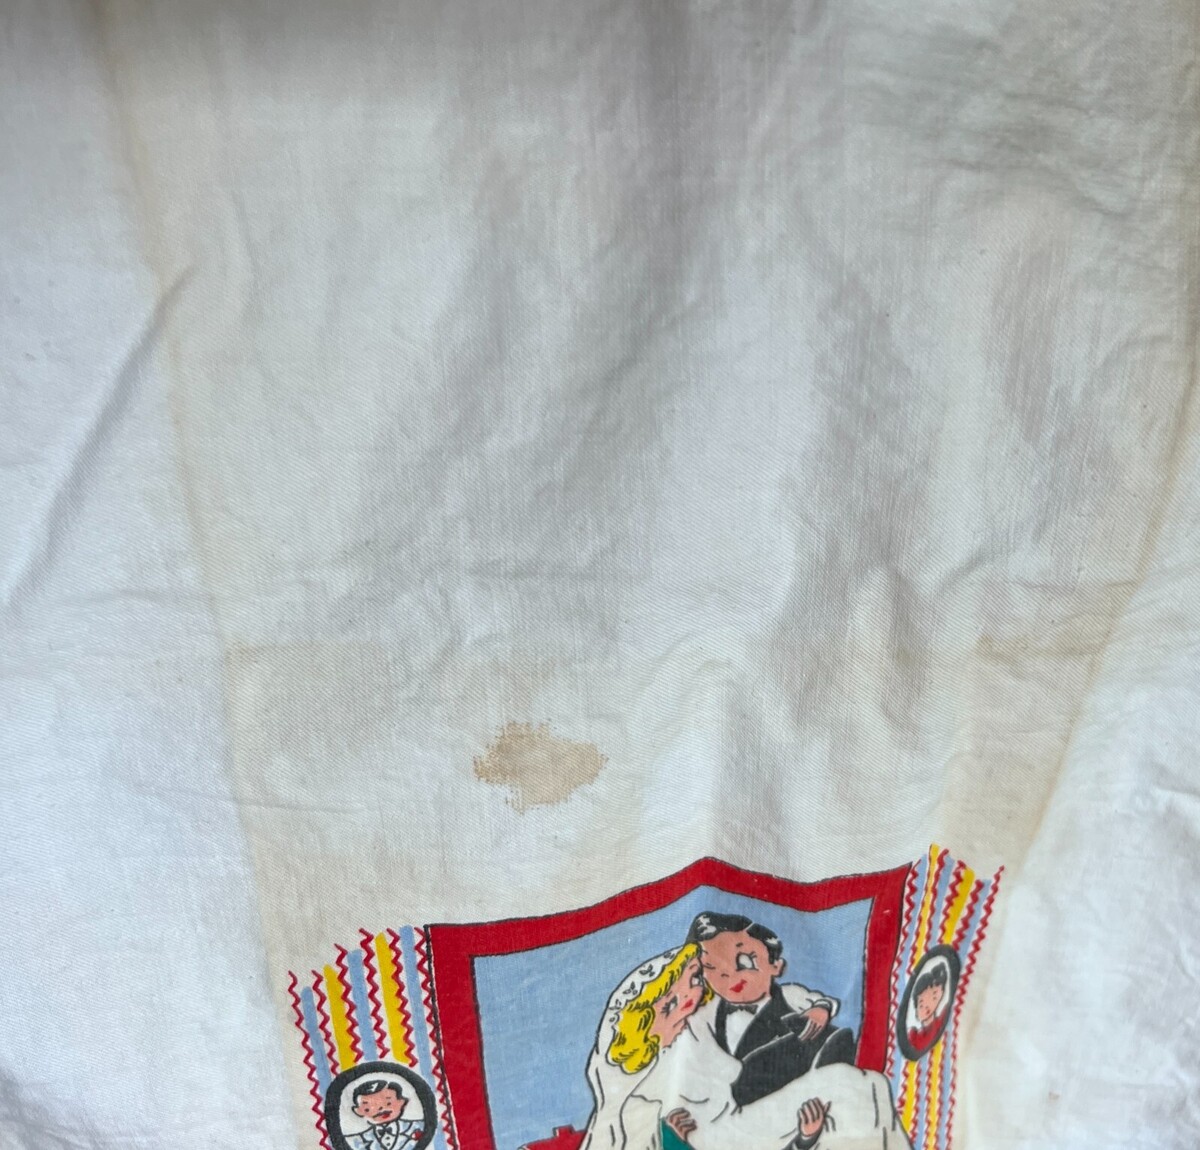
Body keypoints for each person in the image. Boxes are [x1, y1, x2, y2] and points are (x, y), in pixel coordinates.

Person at [582, 945, 911, 1150]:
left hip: (737, 1126)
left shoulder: (697, 1023)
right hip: (722, 1138)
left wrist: (820, 1008)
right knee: (849, 1084)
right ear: (640, 1026)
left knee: (861, 1083)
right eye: (670, 1004)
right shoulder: (635, 1093)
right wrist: (672, 1141)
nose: (691, 998)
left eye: (694, 981)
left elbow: (787, 996)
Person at [685, 912, 856, 1106]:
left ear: (776, 966)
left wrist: (822, 1009)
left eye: (745, 961)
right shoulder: (703, 1016)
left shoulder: (801, 1010)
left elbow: (840, 1098)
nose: (730, 974)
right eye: (711, 967)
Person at [343, 1080, 426, 1150]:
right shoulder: (356, 1140)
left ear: (401, 1101)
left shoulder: (418, 1127)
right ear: (358, 1111)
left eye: (388, 1103)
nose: (381, 1109)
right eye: (368, 1108)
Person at [906, 963, 950, 1055]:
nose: (926, 1007)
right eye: (921, 1004)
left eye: (933, 998)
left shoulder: (942, 1019)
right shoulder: (914, 1037)